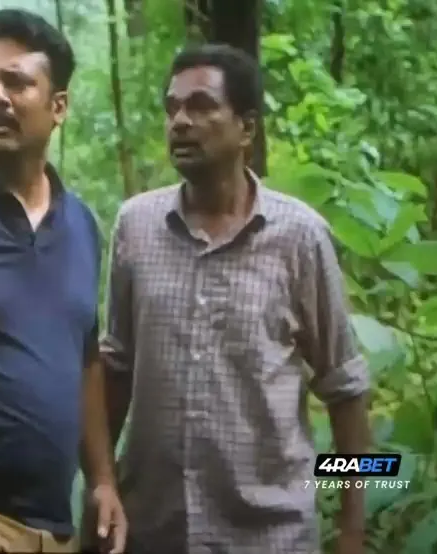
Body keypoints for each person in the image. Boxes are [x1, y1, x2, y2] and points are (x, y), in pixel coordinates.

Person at [99, 43, 373, 554]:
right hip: (154, 532)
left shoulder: (300, 237)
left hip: (271, 536)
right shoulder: (135, 226)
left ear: (246, 128)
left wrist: (353, 531)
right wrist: (101, 485)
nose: (180, 122)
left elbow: (346, 389)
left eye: (201, 106)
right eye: (172, 108)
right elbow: (115, 367)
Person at [0, 9, 127, 554]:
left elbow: (85, 357)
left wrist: (102, 480)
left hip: (54, 529)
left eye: (16, 82)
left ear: (59, 106)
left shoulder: (80, 225)